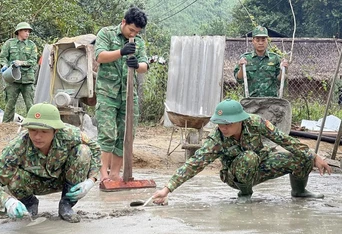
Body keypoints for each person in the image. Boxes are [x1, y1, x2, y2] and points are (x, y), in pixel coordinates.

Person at [153, 99, 331, 204]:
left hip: (261, 164)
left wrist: (314, 156)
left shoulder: (255, 122)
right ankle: (245, 194)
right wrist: (167, 189)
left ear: (240, 120)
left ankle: (299, 191)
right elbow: (194, 163)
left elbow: (285, 140)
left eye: (228, 124)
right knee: (248, 157)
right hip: (236, 175)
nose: (223, 128)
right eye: (220, 123)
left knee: (303, 156)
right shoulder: (217, 139)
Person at [0, 103, 101, 223]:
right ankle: (29, 203)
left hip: (64, 180)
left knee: (83, 151)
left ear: (55, 131)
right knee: (12, 177)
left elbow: (95, 149)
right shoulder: (17, 147)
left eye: (44, 131)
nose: (37, 136)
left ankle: (66, 204)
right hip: (32, 183)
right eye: (33, 130)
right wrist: (7, 201)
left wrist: (91, 180)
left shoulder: (69, 134)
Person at [94, 7, 149, 183]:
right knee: (107, 134)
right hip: (107, 93)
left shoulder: (138, 42)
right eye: (131, 29)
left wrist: (136, 64)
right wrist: (121, 52)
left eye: (137, 31)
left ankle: (115, 174)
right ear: (123, 22)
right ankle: (103, 175)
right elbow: (100, 56)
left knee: (126, 135)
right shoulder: (106, 33)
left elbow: (145, 65)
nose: (133, 33)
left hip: (128, 95)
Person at [234, 25, 289, 97]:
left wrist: (283, 69)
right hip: (251, 101)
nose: (260, 43)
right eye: (257, 40)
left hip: (270, 101)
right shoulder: (245, 58)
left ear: (267, 41)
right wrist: (241, 67)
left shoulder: (275, 58)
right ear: (253, 41)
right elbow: (239, 80)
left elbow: (280, 81)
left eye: (263, 40)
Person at [0, 22, 38, 122]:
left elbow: (33, 61)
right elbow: (3, 57)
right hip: (12, 80)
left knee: (30, 105)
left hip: (27, 80)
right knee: (10, 105)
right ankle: (5, 127)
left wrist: (21, 63)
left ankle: (32, 125)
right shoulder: (9, 43)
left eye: (29, 31)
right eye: (25, 31)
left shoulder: (32, 45)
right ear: (19, 32)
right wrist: (4, 65)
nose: (27, 33)